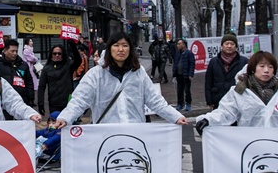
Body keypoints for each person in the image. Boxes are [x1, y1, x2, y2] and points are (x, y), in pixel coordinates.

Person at [53, 32, 185, 128]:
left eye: (125, 45)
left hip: (135, 133)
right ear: (109, 48)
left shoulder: (139, 74)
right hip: (105, 135)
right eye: (116, 45)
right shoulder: (95, 74)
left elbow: (155, 101)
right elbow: (80, 100)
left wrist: (176, 117)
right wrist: (65, 117)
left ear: (130, 49)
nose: (121, 49)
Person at [194, 51, 278, 133]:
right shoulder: (238, 93)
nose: (266, 70)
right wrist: (207, 120)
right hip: (250, 148)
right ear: (252, 69)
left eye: (270, 67)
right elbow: (225, 113)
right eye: (262, 66)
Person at [36, 41, 82, 118]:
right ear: (51, 55)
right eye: (54, 53)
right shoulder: (46, 69)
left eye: (59, 53)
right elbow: (41, 86)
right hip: (54, 104)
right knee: (55, 126)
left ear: (62, 55)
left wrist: (72, 45)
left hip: (68, 103)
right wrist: (40, 104)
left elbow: (78, 61)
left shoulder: (68, 66)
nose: (57, 55)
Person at [204, 34, 247, 110]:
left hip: (238, 100)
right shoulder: (214, 62)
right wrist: (209, 100)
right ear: (222, 46)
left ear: (236, 47)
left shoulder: (244, 61)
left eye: (232, 44)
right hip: (218, 99)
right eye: (227, 44)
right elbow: (208, 82)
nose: (229, 46)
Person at [0, 39, 33, 114]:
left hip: (21, 102)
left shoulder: (23, 65)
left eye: (16, 51)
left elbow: (29, 83)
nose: (15, 53)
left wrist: (30, 99)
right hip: (4, 103)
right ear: (5, 50)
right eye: (12, 51)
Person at [173, 38, 196, 112]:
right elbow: (175, 63)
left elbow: (192, 64)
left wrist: (191, 74)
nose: (178, 45)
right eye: (177, 44)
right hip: (179, 75)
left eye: (179, 44)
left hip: (186, 75)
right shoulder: (177, 53)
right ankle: (180, 103)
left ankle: (188, 104)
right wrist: (174, 73)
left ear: (183, 44)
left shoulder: (188, 53)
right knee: (179, 90)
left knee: (187, 90)